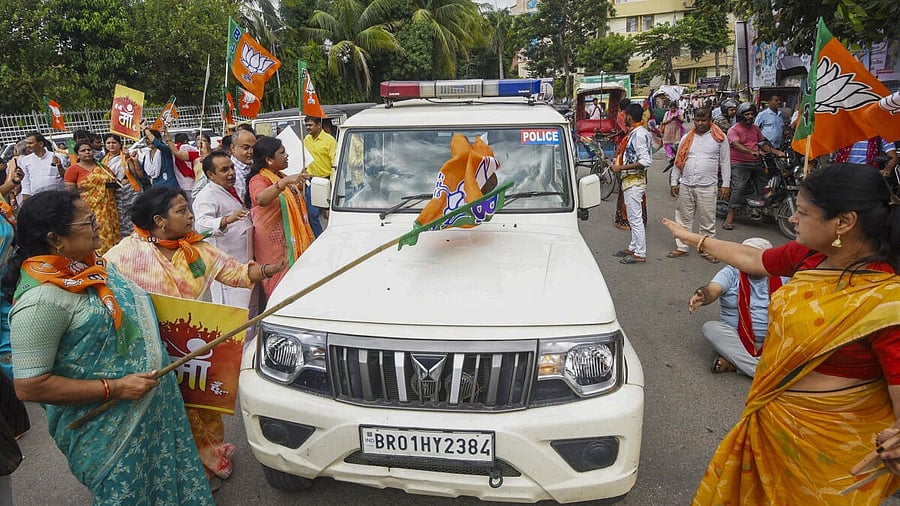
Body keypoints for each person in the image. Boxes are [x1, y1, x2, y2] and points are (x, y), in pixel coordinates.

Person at [662, 163, 900, 504]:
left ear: (844, 223)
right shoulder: (812, 257)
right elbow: (753, 257)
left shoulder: (888, 304)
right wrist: (696, 239)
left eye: (802, 212)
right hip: (771, 422)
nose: (792, 220)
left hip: (828, 455)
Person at [4, 191, 214, 504]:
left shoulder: (96, 267)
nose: (98, 223)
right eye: (88, 221)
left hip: (156, 410)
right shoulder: (40, 302)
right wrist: (114, 387)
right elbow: (30, 386)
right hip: (111, 428)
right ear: (56, 239)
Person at [103, 186, 282, 485]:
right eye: (181, 210)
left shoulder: (197, 249)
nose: (190, 216)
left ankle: (211, 455)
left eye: (188, 209)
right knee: (172, 412)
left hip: (197, 348)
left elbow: (236, 272)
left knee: (204, 406)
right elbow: (103, 290)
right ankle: (190, 468)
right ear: (160, 220)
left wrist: (269, 270)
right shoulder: (124, 254)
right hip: (151, 351)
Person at [688, 237, 787, 377]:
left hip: (775, 339)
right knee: (710, 328)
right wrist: (703, 295)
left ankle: (737, 364)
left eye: (757, 259)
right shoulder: (731, 272)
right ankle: (765, 374)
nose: (751, 262)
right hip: (737, 339)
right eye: (747, 257)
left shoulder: (782, 274)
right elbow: (713, 289)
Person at [247, 136, 315, 298]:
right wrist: (283, 183)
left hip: (290, 239)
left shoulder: (278, 175)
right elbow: (261, 199)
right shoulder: (259, 179)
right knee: (279, 289)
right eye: (282, 153)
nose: (287, 155)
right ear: (269, 159)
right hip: (274, 246)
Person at [191, 151, 254, 309]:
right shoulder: (206, 196)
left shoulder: (233, 189)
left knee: (250, 309)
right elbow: (202, 226)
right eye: (224, 170)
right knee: (235, 311)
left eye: (232, 168)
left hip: (244, 260)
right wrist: (226, 220)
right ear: (211, 174)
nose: (231, 173)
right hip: (227, 265)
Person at [667, 107, 731, 262]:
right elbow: (678, 161)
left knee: (707, 220)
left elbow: (725, 161)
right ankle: (682, 247)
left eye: (704, 120)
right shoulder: (687, 138)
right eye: (698, 120)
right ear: (694, 120)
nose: (701, 123)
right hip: (686, 184)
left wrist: (726, 184)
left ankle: (707, 250)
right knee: (683, 218)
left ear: (711, 120)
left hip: (707, 185)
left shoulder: (719, 137)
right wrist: (674, 181)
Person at [722, 102, 784, 231]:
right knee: (739, 186)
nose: (750, 116)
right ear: (741, 115)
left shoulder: (755, 129)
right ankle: (730, 214)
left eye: (752, 114)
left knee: (767, 187)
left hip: (755, 162)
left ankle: (766, 210)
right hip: (738, 163)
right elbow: (736, 144)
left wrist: (777, 152)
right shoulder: (733, 130)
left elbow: (762, 144)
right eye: (747, 114)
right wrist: (751, 152)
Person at [610, 103, 653, 264]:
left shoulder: (638, 134)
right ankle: (634, 247)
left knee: (635, 218)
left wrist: (621, 167)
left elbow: (645, 161)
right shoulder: (637, 133)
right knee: (634, 217)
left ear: (628, 116)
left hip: (634, 181)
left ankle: (640, 252)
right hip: (631, 180)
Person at [64, 140, 121, 253]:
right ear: (77, 154)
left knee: (112, 234)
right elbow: (70, 191)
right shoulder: (73, 170)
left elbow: (115, 185)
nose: (87, 152)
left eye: (89, 150)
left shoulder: (104, 168)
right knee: (96, 233)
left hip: (108, 209)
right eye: (83, 151)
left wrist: (114, 182)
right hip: (88, 209)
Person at [102, 133, 146, 238]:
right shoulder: (103, 161)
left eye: (114, 143)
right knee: (121, 220)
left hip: (131, 192)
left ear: (120, 144)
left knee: (136, 216)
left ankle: (140, 237)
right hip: (115, 194)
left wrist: (128, 157)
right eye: (108, 143)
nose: (111, 145)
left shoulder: (127, 156)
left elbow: (138, 174)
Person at [302, 115, 337, 237]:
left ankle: (333, 237)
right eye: (306, 125)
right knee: (312, 214)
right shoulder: (306, 140)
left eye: (310, 125)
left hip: (326, 180)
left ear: (318, 125)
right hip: (312, 182)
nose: (308, 128)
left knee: (330, 214)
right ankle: (319, 237)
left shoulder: (329, 141)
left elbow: (335, 162)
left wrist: (334, 184)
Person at [19, 132, 66, 200]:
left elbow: (66, 176)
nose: (27, 146)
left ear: (40, 143)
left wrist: (59, 166)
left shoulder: (58, 157)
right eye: (27, 143)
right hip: (38, 199)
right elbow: (26, 182)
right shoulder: (26, 160)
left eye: (30, 143)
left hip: (58, 197)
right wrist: (26, 200)